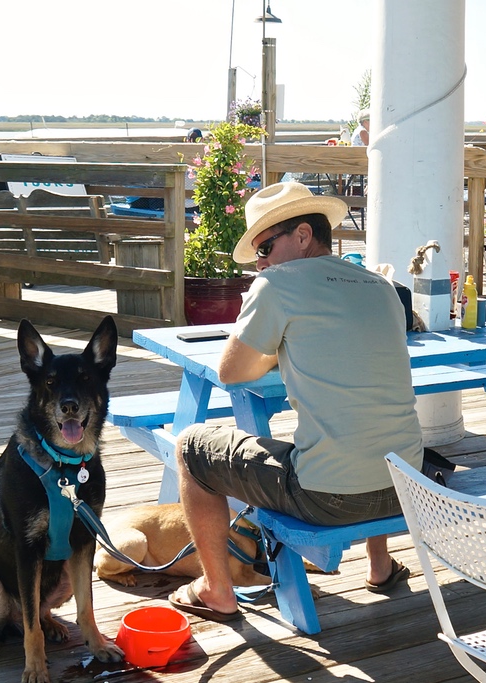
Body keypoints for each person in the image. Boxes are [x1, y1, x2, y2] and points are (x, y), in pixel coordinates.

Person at [168, 182, 425, 621]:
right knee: (366, 426)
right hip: (408, 487)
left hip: (328, 498)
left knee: (190, 447)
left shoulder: (276, 285)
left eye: (265, 247)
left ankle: (217, 590)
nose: (261, 263)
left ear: (303, 235)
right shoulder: (381, 286)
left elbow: (232, 372)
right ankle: (380, 565)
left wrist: (274, 344)